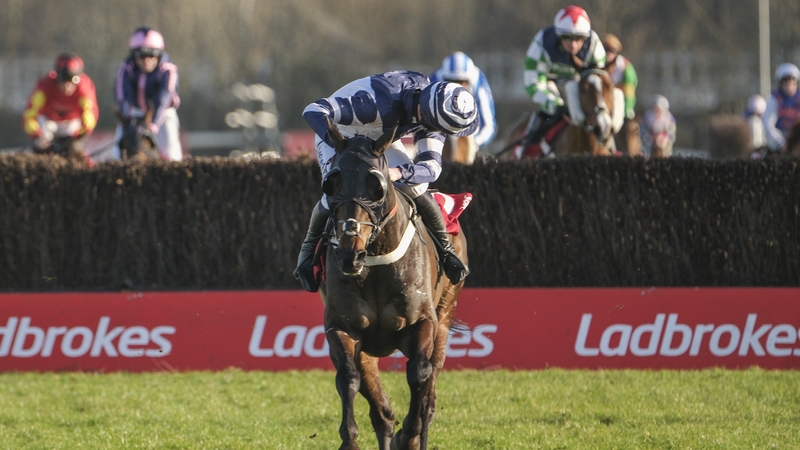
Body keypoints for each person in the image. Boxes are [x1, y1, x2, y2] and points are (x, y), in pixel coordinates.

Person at [295, 70, 478, 292]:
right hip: (342, 132)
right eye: (435, 127)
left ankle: (446, 250)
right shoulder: (374, 103)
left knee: (417, 185)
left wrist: (398, 173)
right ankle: (306, 254)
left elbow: (432, 168)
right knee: (341, 188)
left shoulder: (432, 111)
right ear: (429, 112)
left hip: (380, 136)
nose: (435, 132)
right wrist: (344, 150)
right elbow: (313, 110)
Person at [522, 5, 606, 143]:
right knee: (541, 122)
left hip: (580, 88)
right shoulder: (542, 43)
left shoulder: (594, 45)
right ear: (558, 35)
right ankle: (526, 147)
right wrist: (555, 106)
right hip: (550, 87)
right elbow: (532, 83)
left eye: (578, 38)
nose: (573, 45)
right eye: (567, 38)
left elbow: (601, 83)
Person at [114, 26, 182, 161]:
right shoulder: (126, 68)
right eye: (141, 55)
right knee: (117, 150)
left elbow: (164, 97)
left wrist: (153, 124)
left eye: (152, 55)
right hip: (135, 113)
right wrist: (129, 120)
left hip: (163, 114)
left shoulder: (168, 70)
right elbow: (123, 95)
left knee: (171, 152)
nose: (146, 60)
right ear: (134, 55)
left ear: (159, 54)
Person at [22, 53, 99, 160]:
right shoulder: (45, 85)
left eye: (73, 80)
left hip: (71, 125)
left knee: (75, 151)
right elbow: (29, 114)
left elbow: (89, 115)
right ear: (56, 76)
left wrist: (76, 137)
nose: (67, 86)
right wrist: (37, 136)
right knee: (39, 149)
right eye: (62, 79)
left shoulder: (84, 88)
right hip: (47, 123)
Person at [429, 51, 497, 149]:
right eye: (452, 81)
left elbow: (488, 125)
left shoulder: (479, 81)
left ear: (469, 81)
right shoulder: (435, 80)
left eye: (462, 82)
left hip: (472, 140)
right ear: (444, 79)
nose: (458, 87)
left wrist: (474, 144)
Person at [763, 63, 800, 154]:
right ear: (781, 84)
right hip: (779, 143)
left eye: (792, 83)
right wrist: (781, 143)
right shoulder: (774, 99)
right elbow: (768, 124)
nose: (789, 86)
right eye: (785, 83)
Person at [602, 33, 638, 120]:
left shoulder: (625, 67)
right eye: (605, 50)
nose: (608, 54)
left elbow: (629, 94)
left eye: (611, 51)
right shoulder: (598, 63)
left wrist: (626, 112)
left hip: (620, 105)